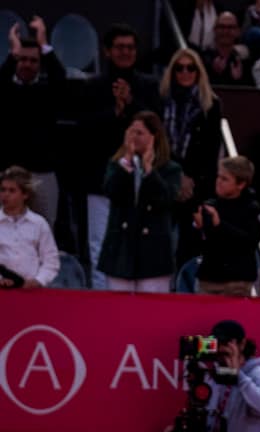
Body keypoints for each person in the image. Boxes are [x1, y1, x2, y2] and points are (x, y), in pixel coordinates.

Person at [82, 24, 162, 290]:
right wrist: (115, 111)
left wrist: (130, 104)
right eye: (119, 47)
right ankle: (100, 300)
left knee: (137, 243)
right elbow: (85, 129)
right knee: (99, 243)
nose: (125, 52)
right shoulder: (93, 86)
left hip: (140, 179)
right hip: (100, 177)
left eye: (130, 47)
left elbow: (155, 127)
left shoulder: (149, 86)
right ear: (107, 51)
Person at [96, 111, 182, 293]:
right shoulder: (117, 165)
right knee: (118, 310)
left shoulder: (170, 169)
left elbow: (165, 200)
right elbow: (110, 191)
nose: (134, 137)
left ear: (154, 137)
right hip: (121, 250)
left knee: (152, 311)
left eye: (140, 133)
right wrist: (126, 162)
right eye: (131, 132)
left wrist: (150, 171)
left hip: (153, 253)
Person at [0, 18, 66, 227]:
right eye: (23, 59)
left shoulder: (48, 91)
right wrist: (12, 54)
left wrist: (44, 44)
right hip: (9, 173)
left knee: (44, 229)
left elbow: (60, 78)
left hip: (42, 173)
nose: (27, 64)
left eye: (33, 60)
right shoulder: (7, 91)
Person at [161, 47, 224, 267]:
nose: (185, 72)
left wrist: (189, 181)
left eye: (191, 68)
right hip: (166, 182)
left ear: (199, 72)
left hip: (197, 187)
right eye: (179, 68)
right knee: (161, 247)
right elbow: (158, 145)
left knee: (190, 248)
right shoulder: (161, 101)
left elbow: (210, 150)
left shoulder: (211, 105)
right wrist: (176, 176)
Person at [206, 319, 260, 432]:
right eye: (218, 344)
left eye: (226, 344)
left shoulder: (258, 373)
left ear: (242, 344)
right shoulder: (217, 375)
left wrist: (239, 376)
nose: (221, 349)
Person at [193, 156, 260, 296]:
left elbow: (250, 241)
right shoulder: (210, 205)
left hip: (236, 282)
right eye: (218, 177)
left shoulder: (251, 209)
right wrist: (199, 225)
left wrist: (220, 224)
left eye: (225, 179)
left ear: (241, 184)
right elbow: (201, 242)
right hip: (208, 280)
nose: (218, 182)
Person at [0, 166, 59, 289]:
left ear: (25, 194)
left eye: (12, 191)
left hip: (32, 291)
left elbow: (51, 259)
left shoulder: (39, 223)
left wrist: (39, 280)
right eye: (3, 190)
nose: (5, 195)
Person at [202, 12, 253, 87]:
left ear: (238, 31)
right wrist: (215, 74)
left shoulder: (244, 61)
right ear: (215, 30)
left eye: (230, 27)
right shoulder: (203, 59)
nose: (226, 31)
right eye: (222, 27)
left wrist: (238, 80)